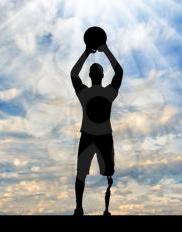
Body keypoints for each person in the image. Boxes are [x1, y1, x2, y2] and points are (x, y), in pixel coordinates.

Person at [70, 43, 123, 216]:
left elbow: (73, 74)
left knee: (84, 174)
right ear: (101, 75)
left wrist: (87, 52)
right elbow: (119, 72)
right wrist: (105, 49)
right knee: (103, 175)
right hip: (99, 137)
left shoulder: (84, 93)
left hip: (94, 137)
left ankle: (80, 208)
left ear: (92, 75)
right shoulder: (108, 92)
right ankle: (98, 209)